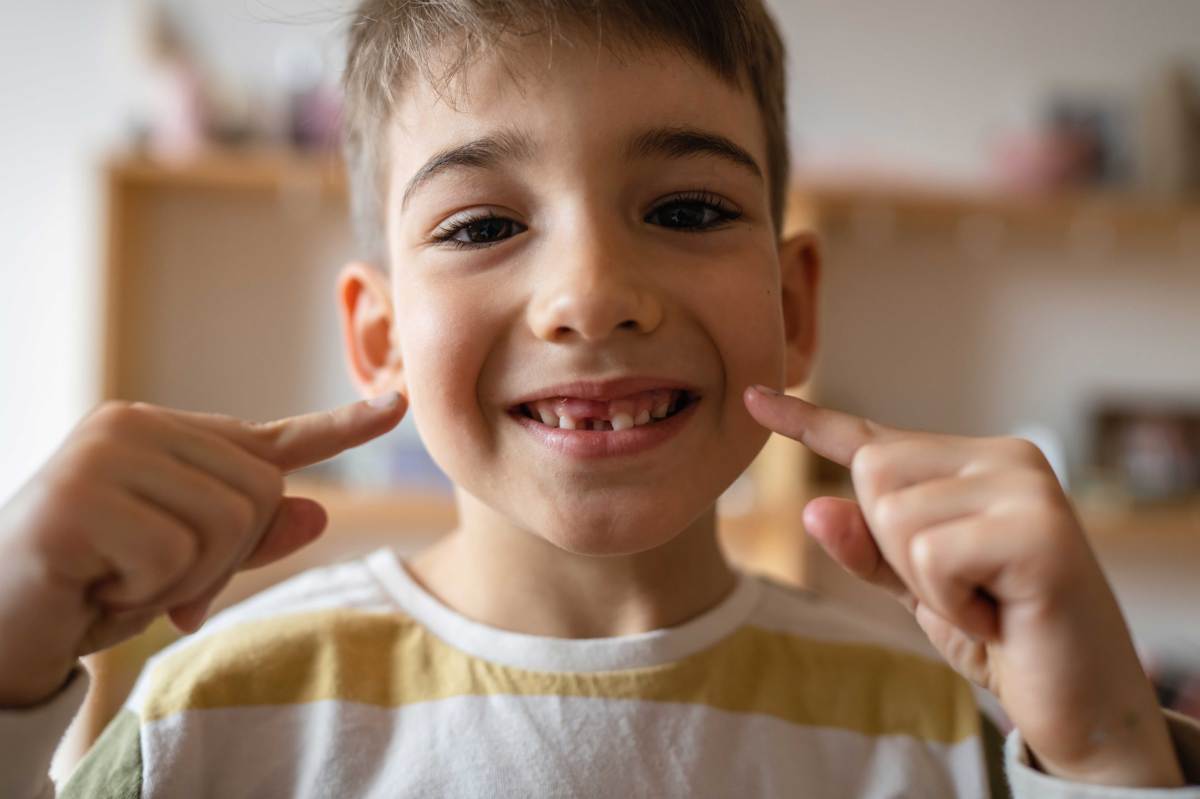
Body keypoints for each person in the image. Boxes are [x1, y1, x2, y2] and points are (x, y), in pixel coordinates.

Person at [2, 1, 1198, 796]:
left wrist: (1105, 751)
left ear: (793, 306)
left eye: (685, 210)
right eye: (481, 226)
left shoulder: (934, 736)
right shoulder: (213, 715)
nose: (590, 294)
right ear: (380, 338)